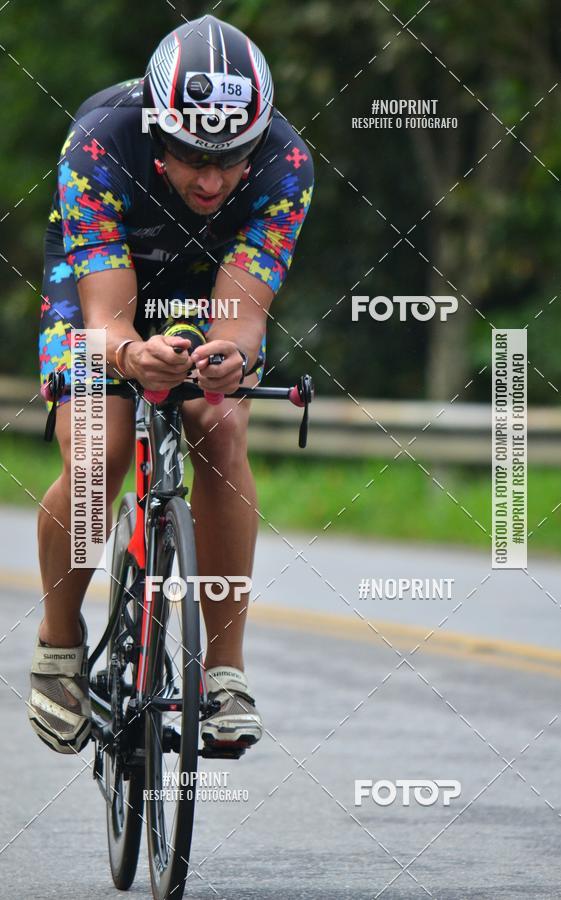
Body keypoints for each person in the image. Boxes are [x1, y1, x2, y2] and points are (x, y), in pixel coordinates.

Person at [28, 14, 314, 754]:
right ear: (158, 130)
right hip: (103, 277)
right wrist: (129, 357)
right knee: (97, 455)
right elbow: (107, 321)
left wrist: (231, 360)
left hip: (206, 286)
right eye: (191, 156)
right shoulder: (100, 142)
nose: (212, 180)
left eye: (232, 158)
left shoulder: (286, 165)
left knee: (219, 425)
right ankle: (59, 647)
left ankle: (225, 673)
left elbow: (241, 320)